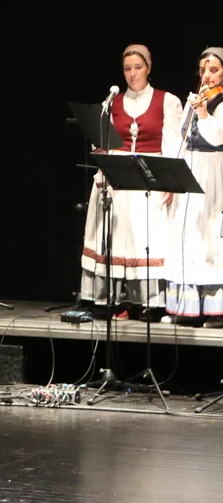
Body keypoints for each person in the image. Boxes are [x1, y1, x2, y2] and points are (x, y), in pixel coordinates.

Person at [79, 45, 183, 319]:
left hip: (150, 176)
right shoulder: (113, 102)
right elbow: (104, 140)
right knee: (115, 238)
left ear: (148, 68)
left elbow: (173, 143)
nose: (132, 73)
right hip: (119, 176)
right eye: (127, 69)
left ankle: (148, 302)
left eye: (138, 67)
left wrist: (169, 180)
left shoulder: (167, 100)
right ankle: (116, 300)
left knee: (145, 239)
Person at [162, 47, 223, 327]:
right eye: (203, 70)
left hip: (214, 172)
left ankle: (216, 311)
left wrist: (203, 114)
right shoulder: (195, 100)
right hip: (190, 170)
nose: (207, 75)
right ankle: (185, 308)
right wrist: (172, 178)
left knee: (209, 238)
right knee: (186, 237)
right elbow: (181, 138)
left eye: (214, 70)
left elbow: (217, 137)